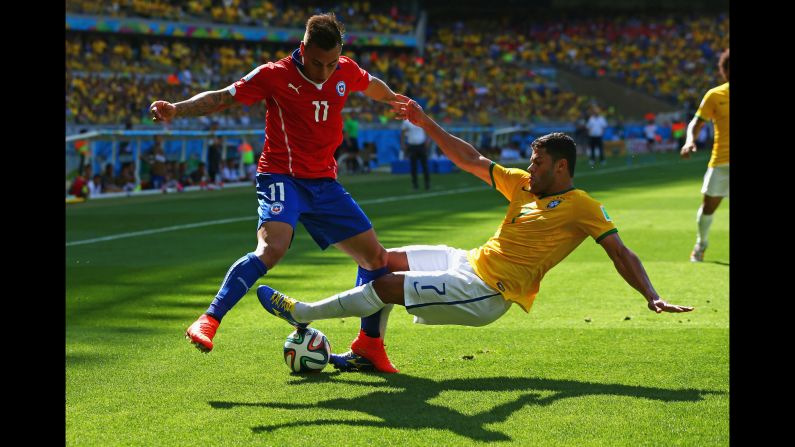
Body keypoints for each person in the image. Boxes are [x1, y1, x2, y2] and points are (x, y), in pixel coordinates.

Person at [257, 97, 694, 373]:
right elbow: (472, 159)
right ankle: (369, 349)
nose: (530, 167)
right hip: (467, 260)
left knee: (386, 285)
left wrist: (650, 294)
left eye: (538, 163)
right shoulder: (524, 184)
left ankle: (305, 312)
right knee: (380, 260)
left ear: (561, 167)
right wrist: (427, 124)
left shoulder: (582, 206)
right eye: (531, 161)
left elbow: (621, 252)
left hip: (488, 292)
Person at [149, 13, 404, 369]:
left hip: (324, 183)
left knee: (376, 258)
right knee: (273, 247)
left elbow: (370, 82)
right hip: (282, 177)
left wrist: (394, 99)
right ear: (303, 49)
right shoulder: (274, 75)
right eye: (317, 63)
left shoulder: (344, 69)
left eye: (331, 63)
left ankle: (368, 347)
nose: (324, 72)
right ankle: (209, 319)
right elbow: (224, 97)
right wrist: (178, 108)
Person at [680, 49, 729, 262]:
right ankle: (701, 244)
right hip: (721, 160)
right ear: (724, 71)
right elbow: (697, 122)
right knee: (708, 207)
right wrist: (690, 140)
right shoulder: (715, 95)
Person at [401, 118, 430, 190]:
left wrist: (427, 141)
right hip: (412, 146)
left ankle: (427, 184)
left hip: (421, 145)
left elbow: (427, 130)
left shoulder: (421, 118)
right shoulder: (406, 121)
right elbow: (403, 134)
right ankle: (415, 185)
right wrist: (403, 144)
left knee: (425, 166)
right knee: (413, 167)